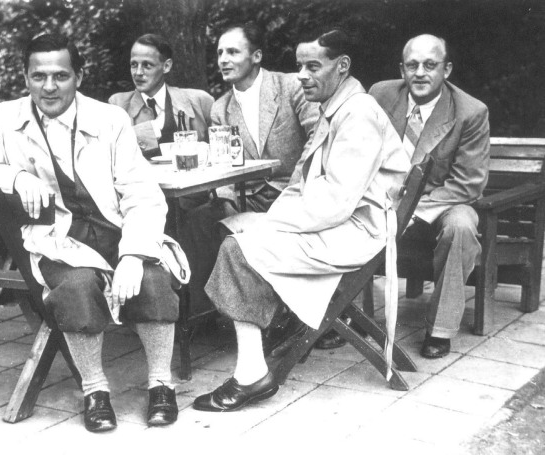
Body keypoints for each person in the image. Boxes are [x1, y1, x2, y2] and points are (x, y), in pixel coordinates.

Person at [0, 33, 180, 432]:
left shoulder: (110, 119)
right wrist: (13, 176)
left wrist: (134, 255)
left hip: (116, 230)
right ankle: (95, 390)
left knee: (153, 279)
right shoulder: (3, 119)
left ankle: (161, 384)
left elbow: (142, 193)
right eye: (38, 76)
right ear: (25, 78)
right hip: (58, 240)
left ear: (79, 77)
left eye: (60, 76)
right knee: (76, 286)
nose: (49, 87)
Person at [193, 29, 410, 412]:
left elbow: (335, 202)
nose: (302, 76)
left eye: (313, 66)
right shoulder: (338, 107)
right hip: (342, 225)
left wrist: (268, 225)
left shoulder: (357, 113)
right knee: (233, 233)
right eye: (299, 67)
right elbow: (306, 186)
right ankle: (269, 332)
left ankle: (251, 373)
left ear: (342, 66)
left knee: (237, 249)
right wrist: (267, 219)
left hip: (356, 232)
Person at [181, 22, 319, 332]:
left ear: (256, 56)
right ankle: (202, 317)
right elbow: (223, 165)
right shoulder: (220, 109)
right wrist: (227, 201)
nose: (223, 60)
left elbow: (317, 140)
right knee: (198, 221)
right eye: (220, 53)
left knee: (242, 238)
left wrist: (294, 192)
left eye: (232, 52)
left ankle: (277, 318)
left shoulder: (291, 87)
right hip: (251, 197)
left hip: (297, 194)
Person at [370, 34, 490, 359]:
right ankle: (341, 316)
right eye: (412, 65)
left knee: (461, 227)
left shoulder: (470, 112)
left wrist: (411, 211)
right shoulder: (380, 95)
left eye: (430, 65)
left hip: (443, 201)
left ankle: (440, 329)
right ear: (402, 69)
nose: (420, 73)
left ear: (446, 69)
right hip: (385, 196)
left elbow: (468, 184)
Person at [108, 33, 213, 159]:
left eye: (147, 65)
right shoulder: (119, 104)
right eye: (134, 64)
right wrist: (152, 129)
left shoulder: (199, 101)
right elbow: (112, 150)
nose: (138, 72)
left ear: (166, 66)